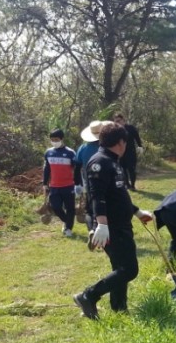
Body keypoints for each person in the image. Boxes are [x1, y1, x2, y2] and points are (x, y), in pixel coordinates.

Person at [73, 122, 152, 320]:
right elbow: (97, 196)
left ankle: (119, 307)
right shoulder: (99, 162)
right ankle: (88, 295)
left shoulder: (113, 161)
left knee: (120, 267)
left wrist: (137, 211)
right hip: (110, 226)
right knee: (129, 269)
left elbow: (118, 194)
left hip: (120, 223)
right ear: (121, 142)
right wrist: (101, 224)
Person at [42, 128, 80, 237]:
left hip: (68, 186)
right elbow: (46, 169)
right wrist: (45, 183)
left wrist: (78, 184)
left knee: (70, 209)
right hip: (54, 186)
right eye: (52, 139)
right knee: (56, 207)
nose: (54, 141)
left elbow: (76, 169)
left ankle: (68, 228)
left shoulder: (70, 153)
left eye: (56, 139)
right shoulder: (49, 152)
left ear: (62, 139)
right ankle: (66, 221)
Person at [75, 120, 108, 228]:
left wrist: (78, 184)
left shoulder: (82, 148)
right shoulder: (106, 147)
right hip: (107, 182)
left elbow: (77, 167)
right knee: (105, 206)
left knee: (90, 209)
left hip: (90, 182)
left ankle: (92, 230)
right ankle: (104, 228)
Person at [113, 113, 143, 190]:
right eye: (116, 121)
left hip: (131, 152)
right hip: (120, 153)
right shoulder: (115, 130)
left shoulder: (130, 128)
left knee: (131, 169)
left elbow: (137, 137)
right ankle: (127, 185)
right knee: (123, 169)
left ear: (123, 120)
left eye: (119, 120)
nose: (117, 123)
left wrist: (140, 146)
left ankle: (133, 185)